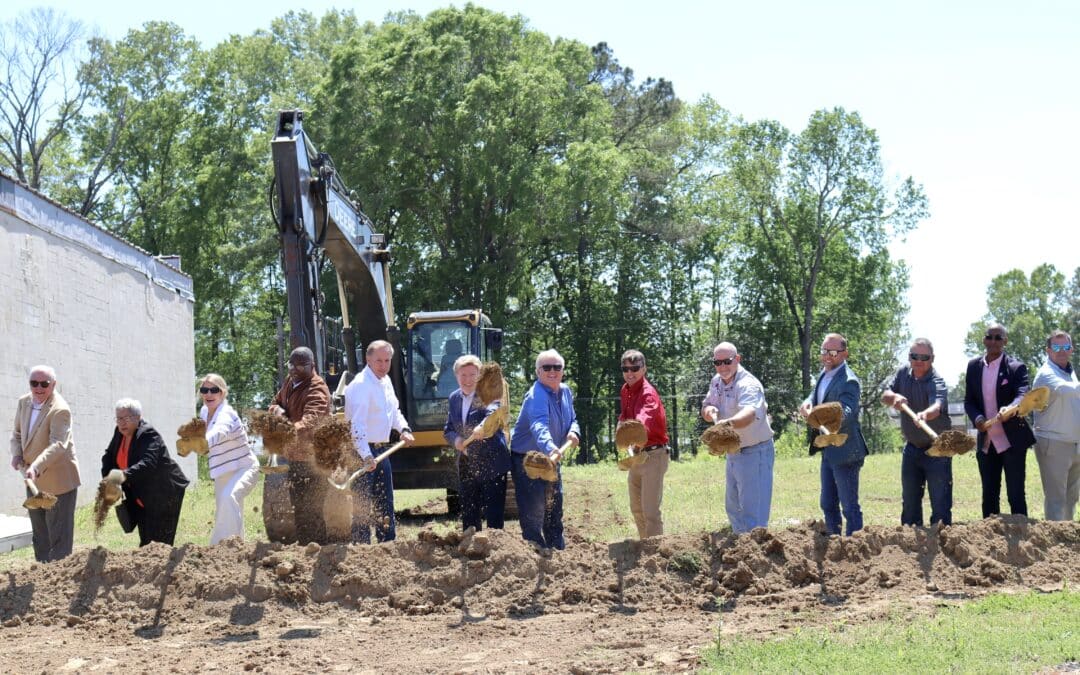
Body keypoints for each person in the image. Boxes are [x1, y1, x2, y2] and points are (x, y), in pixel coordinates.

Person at [343, 340, 415, 543]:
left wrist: (404, 429)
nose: (383, 365)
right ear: (368, 360)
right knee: (362, 505)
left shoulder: (386, 381)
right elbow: (356, 426)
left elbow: (394, 412)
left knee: (385, 503)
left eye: (387, 360)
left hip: (382, 451)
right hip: (361, 453)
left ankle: (387, 546)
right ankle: (362, 549)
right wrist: (366, 456)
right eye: (378, 361)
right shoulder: (361, 385)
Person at [798, 333, 869, 536]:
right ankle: (834, 541)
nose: (827, 356)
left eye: (833, 352)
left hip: (846, 450)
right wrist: (808, 403)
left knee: (849, 506)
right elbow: (815, 395)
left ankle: (855, 544)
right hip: (828, 448)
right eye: (824, 351)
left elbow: (848, 410)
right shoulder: (825, 373)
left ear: (844, 354)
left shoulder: (849, 381)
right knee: (828, 503)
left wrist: (825, 417)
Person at [701, 342, 775, 534]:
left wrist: (727, 424)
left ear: (737, 359)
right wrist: (710, 411)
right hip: (734, 451)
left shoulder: (748, 384)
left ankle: (756, 547)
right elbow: (707, 406)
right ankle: (741, 545)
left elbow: (749, 414)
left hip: (755, 451)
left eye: (727, 361)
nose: (722, 367)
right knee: (734, 508)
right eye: (717, 363)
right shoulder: (717, 381)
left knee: (753, 512)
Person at [9, 365, 81, 562]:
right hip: (33, 480)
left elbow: (58, 445)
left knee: (59, 536)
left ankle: (59, 575)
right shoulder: (24, 402)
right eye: (34, 383)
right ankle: (42, 573)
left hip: (59, 481)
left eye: (44, 384)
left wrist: (36, 466)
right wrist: (16, 454)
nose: (38, 388)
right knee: (40, 534)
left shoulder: (60, 409)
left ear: (53, 384)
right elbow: (17, 434)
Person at [509, 349, 580, 549]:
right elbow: (538, 425)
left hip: (551, 457)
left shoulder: (565, 391)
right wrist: (550, 447)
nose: (552, 371)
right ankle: (535, 553)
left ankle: (557, 550)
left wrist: (574, 431)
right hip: (529, 460)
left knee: (554, 506)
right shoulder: (536, 395)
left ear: (563, 370)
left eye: (557, 367)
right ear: (538, 372)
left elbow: (573, 419)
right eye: (546, 367)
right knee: (534, 510)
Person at [964, 323, 1035, 518]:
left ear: (1005, 341)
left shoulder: (1016, 368)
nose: (993, 341)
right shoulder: (973, 367)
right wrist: (977, 418)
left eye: (998, 338)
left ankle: (1021, 534)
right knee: (989, 495)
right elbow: (969, 401)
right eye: (989, 337)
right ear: (984, 340)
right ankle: (990, 536)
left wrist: (1010, 408)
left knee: (1015, 495)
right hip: (987, 443)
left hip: (1012, 440)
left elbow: (1022, 393)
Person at [881, 338, 953, 526]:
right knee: (910, 503)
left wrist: (924, 415)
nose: (919, 361)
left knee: (940, 504)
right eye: (915, 356)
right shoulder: (903, 373)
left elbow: (937, 406)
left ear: (932, 359)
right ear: (909, 357)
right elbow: (885, 395)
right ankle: (911, 540)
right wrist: (893, 397)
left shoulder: (936, 381)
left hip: (938, 451)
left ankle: (941, 539)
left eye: (924, 357)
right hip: (912, 449)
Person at [101, 399, 189, 546]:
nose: (121, 423)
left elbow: (148, 463)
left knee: (159, 543)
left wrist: (123, 475)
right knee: (146, 539)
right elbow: (109, 456)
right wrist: (108, 479)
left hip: (164, 492)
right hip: (141, 493)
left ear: (138, 417)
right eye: (118, 418)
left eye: (126, 418)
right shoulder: (119, 432)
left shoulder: (148, 434)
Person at [269, 346, 332, 545]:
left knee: (313, 508)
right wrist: (277, 410)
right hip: (296, 456)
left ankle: (318, 549)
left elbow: (310, 421)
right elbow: (275, 402)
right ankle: (306, 548)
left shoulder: (317, 388)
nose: (295, 370)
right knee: (299, 506)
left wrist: (288, 430)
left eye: (301, 366)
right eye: (291, 365)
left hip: (315, 459)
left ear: (312, 365)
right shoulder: (290, 382)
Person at [443, 354, 510, 532]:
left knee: (494, 514)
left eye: (473, 374)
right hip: (467, 462)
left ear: (480, 376)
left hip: (492, 461)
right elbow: (449, 429)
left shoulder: (489, 393)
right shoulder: (454, 398)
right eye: (463, 375)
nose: (468, 380)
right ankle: (471, 543)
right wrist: (457, 440)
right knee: (469, 511)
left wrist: (482, 426)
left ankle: (495, 546)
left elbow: (494, 410)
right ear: (456, 376)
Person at [199, 374, 260, 544]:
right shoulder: (204, 412)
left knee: (229, 497)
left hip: (245, 468)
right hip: (223, 471)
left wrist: (202, 443)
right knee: (225, 512)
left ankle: (225, 547)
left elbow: (219, 431)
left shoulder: (226, 414)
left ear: (222, 393)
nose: (208, 394)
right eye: (204, 390)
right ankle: (236, 549)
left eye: (214, 390)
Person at [620, 349, 670, 538]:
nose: (630, 373)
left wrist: (630, 433)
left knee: (650, 512)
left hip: (653, 456)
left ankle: (655, 550)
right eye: (625, 369)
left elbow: (643, 421)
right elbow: (625, 416)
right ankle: (644, 545)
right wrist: (621, 426)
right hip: (637, 455)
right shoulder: (626, 390)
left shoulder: (648, 394)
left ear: (644, 369)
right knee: (636, 508)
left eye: (635, 368)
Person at [1031, 330, 1080, 521]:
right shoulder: (1046, 373)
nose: (1061, 351)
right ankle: (1055, 539)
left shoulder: (1069, 371)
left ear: (1072, 349)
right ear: (1048, 350)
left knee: (1071, 498)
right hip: (1053, 443)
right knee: (1056, 500)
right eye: (1057, 347)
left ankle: (1067, 537)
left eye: (1066, 346)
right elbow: (1064, 389)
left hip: (1074, 444)